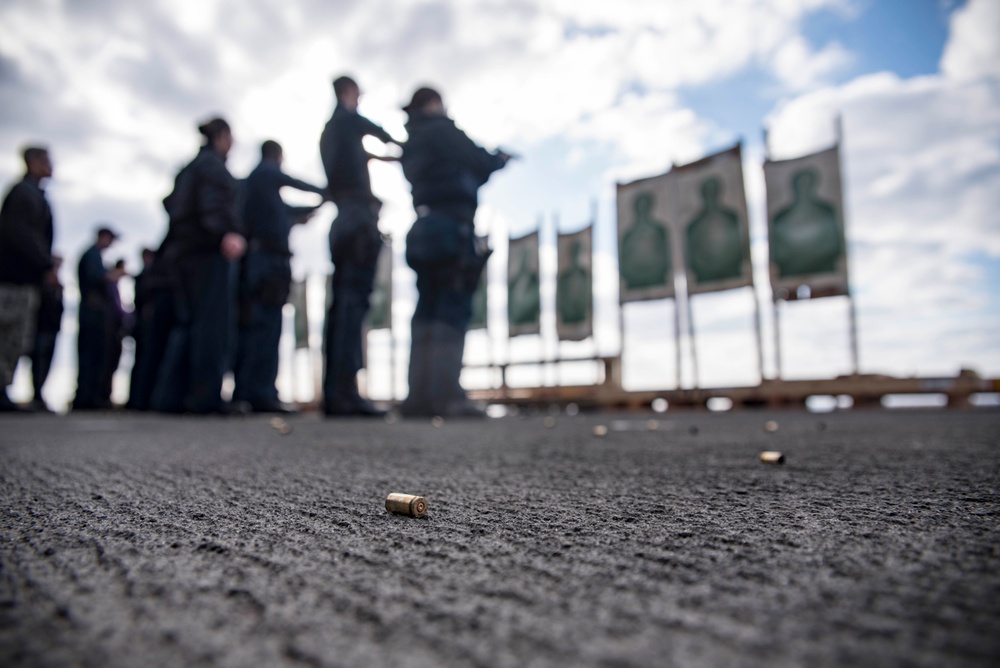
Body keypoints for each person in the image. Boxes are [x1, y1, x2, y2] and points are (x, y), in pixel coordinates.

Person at [399, 86, 513, 418]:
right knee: (450, 307)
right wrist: (498, 160)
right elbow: (478, 160)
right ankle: (446, 395)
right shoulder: (441, 129)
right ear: (434, 103)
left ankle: (419, 398)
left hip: (423, 226)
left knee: (427, 311)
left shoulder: (413, 140)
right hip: (451, 227)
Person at [150, 117, 247, 414]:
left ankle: (171, 397)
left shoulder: (189, 168)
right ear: (222, 136)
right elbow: (212, 205)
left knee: (187, 324)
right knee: (211, 325)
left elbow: (170, 203)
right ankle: (205, 397)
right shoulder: (212, 167)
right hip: (206, 253)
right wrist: (226, 233)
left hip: (182, 253)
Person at [319, 75, 400, 416]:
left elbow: (359, 156)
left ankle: (336, 392)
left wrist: (382, 158)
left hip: (342, 219)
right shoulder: (347, 120)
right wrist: (403, 146)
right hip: (357, 220)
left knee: (341, 308)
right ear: (349, 92)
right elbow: (379, 133)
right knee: (352, 307)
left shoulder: (331, 133)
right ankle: (346, 393)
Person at [232, 140, 325, 413]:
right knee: (265, 327)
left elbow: (290, 212)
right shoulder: (265, 173)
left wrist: (314, 207)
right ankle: (259, 393)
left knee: (263, 327)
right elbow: (293, 183)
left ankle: (254, 391)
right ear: (278, 156)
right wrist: (326, 191)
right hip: (268, 262)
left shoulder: (262, 193)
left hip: (264, 262)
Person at [0, 146, 60, 413]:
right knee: (8, 334)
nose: (52, 166)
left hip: (22, 280)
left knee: (15, 337)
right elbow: (21, 235)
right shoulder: (25, 194)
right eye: (47, 161)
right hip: (14, 280)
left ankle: (3, 388)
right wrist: (45, 263)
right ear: (33, 162)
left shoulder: (31, 194)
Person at [72, 227, 126, 410]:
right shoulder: (92, 255)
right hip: (92, 315)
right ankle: (87, 398)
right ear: (103, 237)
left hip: (94, 314)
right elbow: (97, 278)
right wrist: (114, 275)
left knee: (95, 356)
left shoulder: (94, 256)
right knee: (92, 356)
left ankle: (90, 397)